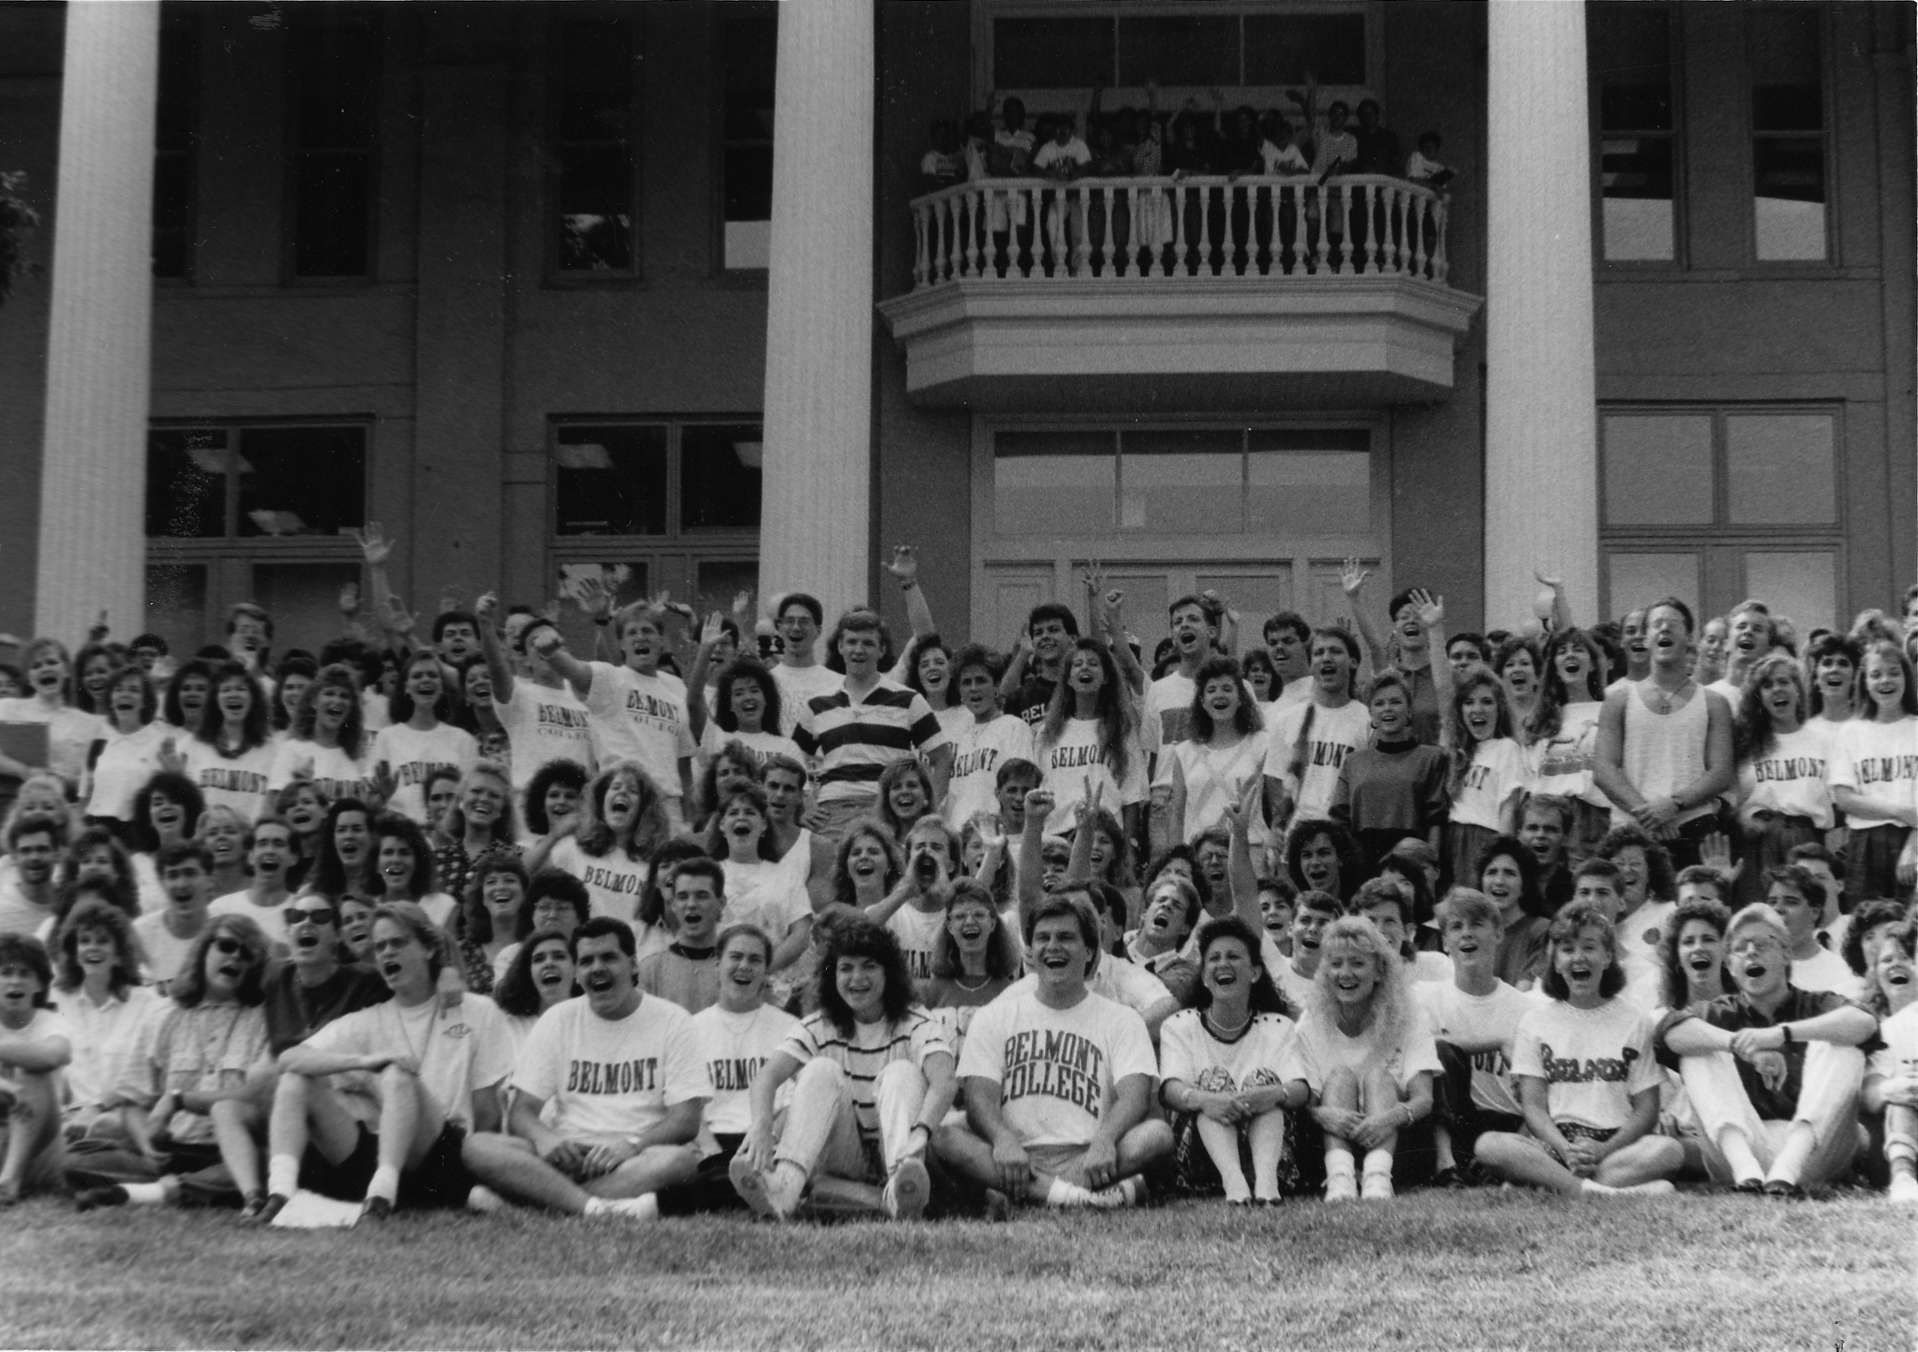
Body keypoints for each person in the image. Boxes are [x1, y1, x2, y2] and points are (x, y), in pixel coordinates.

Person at [260, 901, 513, 1223]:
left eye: (398, 942)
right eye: (379, 947)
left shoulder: (477, 1010)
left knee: (397, 1074)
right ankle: (279, 1193)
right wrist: (364, 1062)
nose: (387, 953)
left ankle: (392, 1195)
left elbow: (488, 1113)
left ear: (430, 949)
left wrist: (479, 1168)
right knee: (295, 1078)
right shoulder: (368, 1019)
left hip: (446, 1152)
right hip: (383, 1157)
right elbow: (289, 1058)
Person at [936, 892, 1171, 1211]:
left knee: (1157, 1134)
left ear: (1089, 951)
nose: (1053, 946)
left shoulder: (1121, 1018)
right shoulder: (996, 1015)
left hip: (1090, 1155)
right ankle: (1082, 1199)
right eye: (1042, 938)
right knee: (945, 1135)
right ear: (1030, 952)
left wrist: (1105, 1140)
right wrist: (1003, 1140)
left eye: (1066, 937)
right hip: (1014, 1157)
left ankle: (1029, 1197)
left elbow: (1134, 1097)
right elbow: (979, 1097)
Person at [461, 917, 707, 1221]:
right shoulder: (557, 1020)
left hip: (634, 1156)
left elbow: (686, 1120)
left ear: (632, 965)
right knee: (477, 1146)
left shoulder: (673, 1020)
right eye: (587, 961)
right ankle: (596, 1209)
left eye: (608, 957)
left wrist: (631, 1146)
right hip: (567, 1153)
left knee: (680, 1161)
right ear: (577, 973)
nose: (597, 968)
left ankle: (536, 1202)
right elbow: (521, 1113)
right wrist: (546, 1140)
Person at [730, 917, 954, 1220]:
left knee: (901, 1072)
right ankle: (786, 1186)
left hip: (904, 1149)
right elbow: (767, 1077)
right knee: (820, 1069)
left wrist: (921, 1133)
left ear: (889, 973)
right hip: (844, 1154)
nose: (856, 978)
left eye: (869, 966)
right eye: (846, 968)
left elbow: (944, 1081)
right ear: (832, 976)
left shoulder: (916, 1021)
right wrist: (760, 1125)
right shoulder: (821, 1024)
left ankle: (900, 1185)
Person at [1656, 902, 1875, 1196]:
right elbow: (1671, 1031)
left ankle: (1788, 1165)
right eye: (1739, 947)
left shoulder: (1818, 1004)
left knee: (1842, 1042)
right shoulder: (1716, 1012)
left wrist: (1780, 1034)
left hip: (1812, 1153)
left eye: (1761, 943)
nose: (1750, 952)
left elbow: (1865, 1022)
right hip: (1742, 1150)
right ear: (1730, 965)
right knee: (1700, 1047)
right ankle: (1746, 1171)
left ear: (1786, 953)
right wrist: (1740, 1044)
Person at [1471, 902, 1681, 1198]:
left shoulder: (1636, 1020)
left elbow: (1646, 1110)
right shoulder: (1535, 1021)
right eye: (1567, 949)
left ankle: (1547, 1185)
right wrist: (1565, 1149)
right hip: (1556, 1142)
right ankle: (1594, 1191)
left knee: (1669, 1150)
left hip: (1616, 1145)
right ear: (1554, 961)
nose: (1578, 957)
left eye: (1589, 947)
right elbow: (1533, 1107)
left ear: (1608, 956)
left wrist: (1604, 1148)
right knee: (1489, 1145)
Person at [72, 915, 276, 1214]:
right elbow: (131, 1098)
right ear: (203, 950)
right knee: (75, 1162)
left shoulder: (264, 1020)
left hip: (231, 1151)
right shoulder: (163, 1014)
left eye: (246, 954)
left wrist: (179, 1100)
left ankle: (155, 1191)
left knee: (267, 1163)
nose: (235, 956)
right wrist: (146, 1143)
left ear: (254, 967)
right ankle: (183, 1185)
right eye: (226, 945)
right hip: (172, 1150)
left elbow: (256, 1096)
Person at [1278, 914, 1439, 1200]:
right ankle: (1341, 1180)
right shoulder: (1312, 1022)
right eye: (1336, 964)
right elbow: (1305, 1102)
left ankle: (1378, 1180)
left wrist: (1387, 1120)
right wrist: (1326, 1115)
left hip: (1398, 1142)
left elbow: (1423, 1098)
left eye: (1357, 963)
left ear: (1379, 971)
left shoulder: (1410, 1018)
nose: (1345, 973)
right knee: (1340, 1077)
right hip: (1332, 1142)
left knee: (1378, 1076)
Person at [657, 925, 803, 1216]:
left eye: (755, 960)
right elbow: (683, 1105)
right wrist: (714, 1156)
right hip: (710, 1142)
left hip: (766, 1140)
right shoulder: (690, 1028)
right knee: (685, 1172)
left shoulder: (789, 1027)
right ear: (717, 964)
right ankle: (740, 1189)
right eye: (735, 957)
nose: (744, 966)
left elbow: (795, 1101)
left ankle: (734, 1189)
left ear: (766, 970)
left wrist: (766, 1142)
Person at [1158, 917, 1301, 1204]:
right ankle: (1234, 1182)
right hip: (1200, 1164)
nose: (1223, 964)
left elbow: (1300, 1089)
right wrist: (1207, 1100)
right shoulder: (1179, 1025)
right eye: (1214, 959)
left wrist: (1270, 1094)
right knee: (1214, 1080)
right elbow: (1170, 1089)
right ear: (1205, 977)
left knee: (1264, 1083)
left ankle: (1266, 1185)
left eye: (1234, 956)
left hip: (1271, 1157)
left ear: (1255, 972)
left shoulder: (1277, 1025)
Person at [1594, 597, 1735, 870]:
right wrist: (1650, 814)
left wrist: (1673, 806)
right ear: (1646, 639)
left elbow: (1721, 772)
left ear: (1690, 637)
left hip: (1692, 827)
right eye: (1656, 625)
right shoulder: (1618, 700)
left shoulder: (1714, 702)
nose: (1664, 630)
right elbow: (1603, 769)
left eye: (1673, 624)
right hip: (1632, 828)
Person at [791, 608, 951, 837]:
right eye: (851, 642)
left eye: (867, 643)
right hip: (832, 813)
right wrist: (804, 803)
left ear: (882, 649)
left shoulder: (908, 700)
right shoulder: (817, 704)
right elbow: (791, 760)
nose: (858, 650)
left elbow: (943, 757)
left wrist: (927, 810)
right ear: (840, 647)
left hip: (888, 810)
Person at [1416, 889, 1534, 1185]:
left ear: (1498, 934)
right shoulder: (1427, 996)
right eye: (1456, 926)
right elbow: (1423, 1049)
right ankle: (1446, 1165)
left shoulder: (1525, 1007)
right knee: (1440, 1050)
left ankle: (1504, 1163)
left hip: (1506, 1120)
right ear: (1445, 942)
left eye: (1477, 924)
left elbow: (1541, 1094)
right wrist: (1497, 1041)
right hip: (1454, 1120)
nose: (1466, 934)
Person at [52, 900, 162, 1146]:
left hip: (125, 1117)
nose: (92, 948)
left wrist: (96, 1110)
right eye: (85, 940)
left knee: (107, 1127)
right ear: (74, 950)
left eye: (102, 940)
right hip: (69, 1118)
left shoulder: (147, 1003)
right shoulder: (57, 999)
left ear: (119, 954)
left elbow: (143, 1079)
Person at [1732, 654, 1833, 909]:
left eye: (1784, 682)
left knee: (1806, 912)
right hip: (1760, 840)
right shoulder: (1747, 745)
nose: (1777, 689)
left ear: (1798, 690)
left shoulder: (1822, 741)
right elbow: (1730, 798)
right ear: (1759, 698)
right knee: (1760, 913)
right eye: (1767, 685)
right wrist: (1742, 817)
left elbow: (1836, 804)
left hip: (1806, 838)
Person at [473, 596, 595, 800]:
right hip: (531, 801)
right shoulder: (519, 694)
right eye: (534, 643)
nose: (543, 646)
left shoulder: (582, 695)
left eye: (550, 640)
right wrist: (485, 624)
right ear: (526, 658)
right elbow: (496, 667)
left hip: (578, 802)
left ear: (564, 650)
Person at [1330, 670, 1449, 873]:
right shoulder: (1353, 762)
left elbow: (1436, 820)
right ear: (1371, 714)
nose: (1387, 709)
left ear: (1410, 711)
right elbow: (1340, 822)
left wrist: (1430, 868)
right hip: (1363, 865)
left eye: (1395, 702)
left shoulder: (1432, 758)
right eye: (1379, 703)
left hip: (1412, 865)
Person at [1828, 640, 1918, 907]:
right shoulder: (1852, 732)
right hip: (1865, 842)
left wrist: (1913, 847)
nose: (1885, 681)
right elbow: (1844, 798)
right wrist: (1901, 811)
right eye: (1876, 674)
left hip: (1911, 840)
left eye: (1893, 672)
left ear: (1906, 677)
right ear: (1864, 682)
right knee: (1866, 926)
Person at [1154, 657, 1267, 855]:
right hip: (1200, 856)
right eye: (1211, 690)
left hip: (1250, 853)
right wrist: (1178, 858)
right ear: (1202, 701)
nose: (1219, 695)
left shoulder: (1263, 744)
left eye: (1227, 688)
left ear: (1241, 697)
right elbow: (1177, 815)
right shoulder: (1184, 752)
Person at [1036, 639, 1146, 838]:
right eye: (1077, 664)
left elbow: (1132, 795)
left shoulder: (1121, 730)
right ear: (1068, 679)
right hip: (1058, 835)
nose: (1085, 668)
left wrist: (1130, 847)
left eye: (1093, 664)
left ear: (1105, 678)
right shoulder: (1047, 733)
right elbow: (1038, 790)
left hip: (1105, 835)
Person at [544, 762, 673, 928]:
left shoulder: (654, 865)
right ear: (601, 800)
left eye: (633, 790)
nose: (623, 792)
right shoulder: (572, 849)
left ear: (644, 809)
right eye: (615, 787)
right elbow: (532, 884)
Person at [1440, 667, 1529, 889]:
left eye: (1487, 702)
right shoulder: (1455, 752)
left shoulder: (1506, 748)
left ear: (1500, 708)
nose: (1477, 709)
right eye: (1469, 702)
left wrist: (1503, 858)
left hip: (1484, 840)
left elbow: (1508, 809)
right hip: (1451, 840)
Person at [706, 787, 811, 974]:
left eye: (749, 812)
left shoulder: (787, 874)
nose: (741, 817)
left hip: (774, 982)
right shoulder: (707, 875)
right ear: (722, 825)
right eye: (733, 813)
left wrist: (761, 970)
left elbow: (801, 934)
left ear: (763, 825)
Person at [0, 933, 71, 1203]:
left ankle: (8, 1182)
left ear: (40, 983)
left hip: (39, 1148)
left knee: (34, 1074)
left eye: (25, 973)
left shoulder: (51, 1021)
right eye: (5, 972)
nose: (15, 980)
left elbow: (54, 1055)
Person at [372, 651, 479, 827]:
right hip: (403, 837)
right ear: (406, 687)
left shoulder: (464, 740)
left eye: (432, 675)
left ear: (442, 686)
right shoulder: (386, 738)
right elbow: (375, 797)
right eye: (417, 676)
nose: (425, 680)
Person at [920, 883, 1021, 1062]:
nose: (969, 921)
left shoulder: (1011, 994)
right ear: (949, 926)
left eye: (978, 915)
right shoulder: (931, 992)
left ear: (992, 923)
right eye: (960, 916)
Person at [942, 644, 1035, 831]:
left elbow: (1022, 789)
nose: (974, 688)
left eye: (981, 680)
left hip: (998, 835)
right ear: (960, 691)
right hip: (963, 840)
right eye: (966, 682)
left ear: (996, 686)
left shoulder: (1014, 727)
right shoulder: (962, 739)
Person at [170, 660, 276, 823]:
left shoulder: (273, 750)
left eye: (241, 689)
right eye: (225, 689)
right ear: (215, 700)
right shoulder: (190, 746)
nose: (233, 694)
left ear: (254, 699)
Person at [0, 637, 106, 797]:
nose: (45, 669)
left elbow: (98, 778)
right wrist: (23, 771)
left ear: (67, 670)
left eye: (52, 662)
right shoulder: (7, 708)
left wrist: (63, 781)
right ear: (29, 678)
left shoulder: (91, 723)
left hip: (65, 805)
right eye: (36, 666)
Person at [1861, 922, 1918, 1201]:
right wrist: (1894, 1089)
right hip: (1905, 1129)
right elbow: (1869, 1093)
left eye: (1906, 958)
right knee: (1902, 1096)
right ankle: (1903, 1178)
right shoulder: (1886, 1029)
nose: (1897, 965)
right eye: (1887, 960)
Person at [267, 663, 374, 806]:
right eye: (329, 693)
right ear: (314, 702)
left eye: (344, 696)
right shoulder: (292, 750)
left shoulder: (358, 759)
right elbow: (274, 807)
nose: (337, 701)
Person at [83, 666, 166, 837]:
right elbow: (83, 799)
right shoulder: (99, 742)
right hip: (97, 831)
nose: (124, 695)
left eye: (134, 690)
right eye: (118, 690)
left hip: (137, 833)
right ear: (111, 699)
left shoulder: (160, 743)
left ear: (145, 701)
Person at [634, 857, 724, 1014]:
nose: (691, 904)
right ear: (673, 904)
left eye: (702, 895)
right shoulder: (650, 970)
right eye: (683, 897)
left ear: (721, 902)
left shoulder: (734, 968)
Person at [431, 761, 520, 916]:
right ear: (460, 801)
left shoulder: (515, 858)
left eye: (494, 795)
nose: (484, 799)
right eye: (476, 791)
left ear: (502, 810)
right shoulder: (436, 860)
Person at [1765, 865, 1862, 998]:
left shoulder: (1839, 971)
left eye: (1791, 902)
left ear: (1815, 912)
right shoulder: (1757, 965)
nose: (1778, 909)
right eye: (1772, 902)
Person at [208, 817, 297, 951]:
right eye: (262, 843)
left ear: (293, 858)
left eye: (279, 844)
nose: (270, 851)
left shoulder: (301, 911)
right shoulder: (220, 908)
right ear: (250, 857)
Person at [489, 926, 576, 1054]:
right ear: (529, 972)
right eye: (539, 959)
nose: (549, 963)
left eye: (559, 956)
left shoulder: (590, 1023)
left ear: (576, 968)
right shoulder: (510, 1027)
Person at [458, 854, 531, 994]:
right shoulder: (462, 951)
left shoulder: (536, 948)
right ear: (482, 898)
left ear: (524, 895)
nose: (500, 887)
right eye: (491, 882)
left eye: (510, 880)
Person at [767, 594, 838, 737]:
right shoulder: (765, 682)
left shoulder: (838, 684)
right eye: (789, 621)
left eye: (804, 621)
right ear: (779, 628)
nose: (796, 627)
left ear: (818, 630)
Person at [999, 602, 1079, 728]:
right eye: (1038, 633)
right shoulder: (1020, 697)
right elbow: (1001, 699)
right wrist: (1023, 653)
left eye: (1053, 630)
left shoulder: (1084, 689)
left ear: (1073, 639)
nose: (1045, 636)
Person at [0, 813, 62, 938]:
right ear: (14, 857)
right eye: (25, 851)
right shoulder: (2, 909)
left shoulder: (70, 903)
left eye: (42, 849)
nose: (34, 857)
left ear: (56, 854)